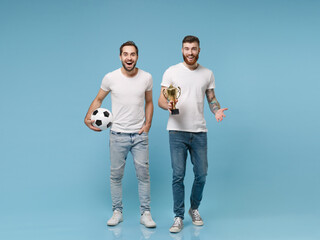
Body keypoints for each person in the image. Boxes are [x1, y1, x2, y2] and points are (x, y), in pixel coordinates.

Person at [158, 35, 228, 233]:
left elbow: (211, 98)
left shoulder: (207, 73)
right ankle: (178, 216)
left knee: (202, 174)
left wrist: (216, 110)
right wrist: (168, 105)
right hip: (177, 130)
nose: (190, 52)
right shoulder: (171, 71)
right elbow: (161, 100)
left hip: (199, 131)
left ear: (199, 50)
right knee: (178, 175)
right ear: (182, 50)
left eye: (194, 48)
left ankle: (194, 208)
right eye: (187, 48)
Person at [84, 41, 156, 228]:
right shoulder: (110, 78)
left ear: (137, 56)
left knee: (144, 175)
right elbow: (99, 99)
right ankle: (117, 212)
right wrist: (87, 117)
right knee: (116, 176)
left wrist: (147, 124)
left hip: (139, 136)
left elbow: (149, 102)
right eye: (125, 54)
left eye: (132, 54)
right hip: (117, 135)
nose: (129, 58)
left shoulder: (146, 77)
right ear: (120, 56)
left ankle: (145, 213)